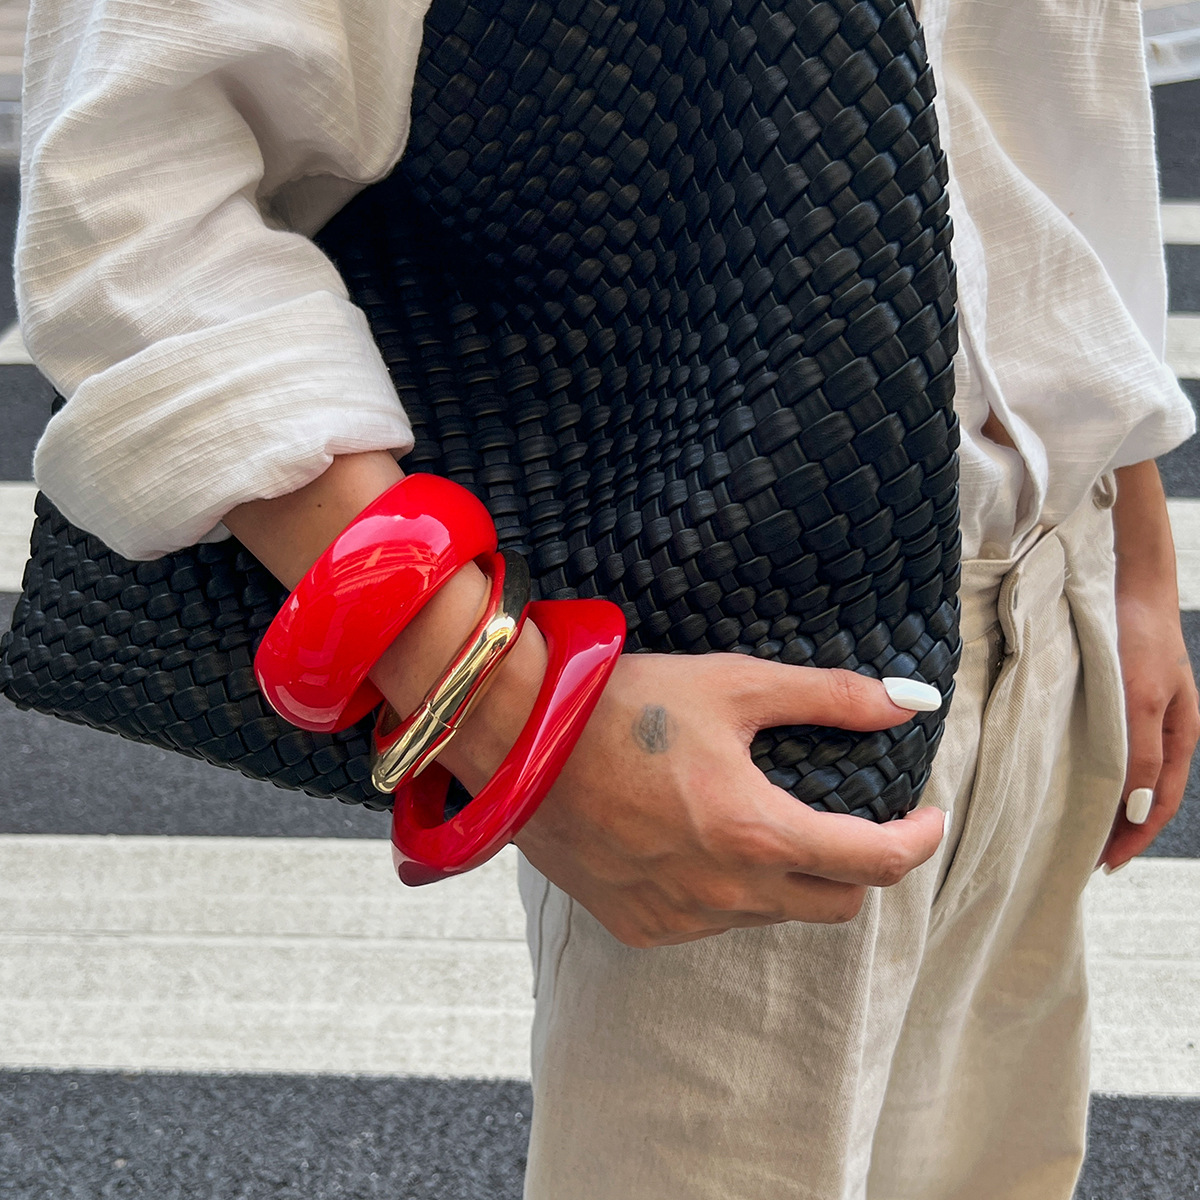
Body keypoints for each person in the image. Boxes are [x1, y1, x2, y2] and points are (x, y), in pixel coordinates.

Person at [14, 0, 1198, 1195]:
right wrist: (512, 717)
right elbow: (128, 193)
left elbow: (1039, 119)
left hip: (1063, 586)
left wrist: (1133, 544)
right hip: (722, 672)